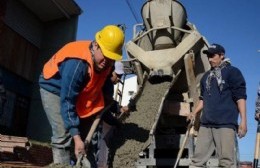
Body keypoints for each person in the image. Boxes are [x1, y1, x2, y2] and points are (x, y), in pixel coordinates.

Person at [38, 25, 125, 167]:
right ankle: (62, 164)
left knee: (85, 141)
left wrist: (116, 112)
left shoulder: (107, 65)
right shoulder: (77, 64)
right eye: (104, 55)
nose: (106, 62)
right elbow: (67, 101)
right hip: (54, 88)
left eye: (111, 59)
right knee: (64, 135)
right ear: (96, 45)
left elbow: (104, 98)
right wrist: (76, 136)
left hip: (79, 92)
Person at [187, 43, 247, 168]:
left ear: (221, 56)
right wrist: (194, 112)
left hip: (225, 124)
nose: (209, 59)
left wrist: (243, 121)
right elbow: (203, 99)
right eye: (208, 56)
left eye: (213, 56)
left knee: (225, 163)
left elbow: (240, 97)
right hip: (206, 124)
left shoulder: (233, 72)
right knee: (196, 162)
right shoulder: (206, 77)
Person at [98, 61, 129, 168]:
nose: (119, 79)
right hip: (94, 118)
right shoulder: (104, 83)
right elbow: (105, 109)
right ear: (111, 71)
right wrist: (116, 122)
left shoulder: (109, 85)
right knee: (95, 146)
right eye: (118, 75)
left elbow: (109, 102)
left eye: (121, 76)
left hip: (101, 117)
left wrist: (119, 108)